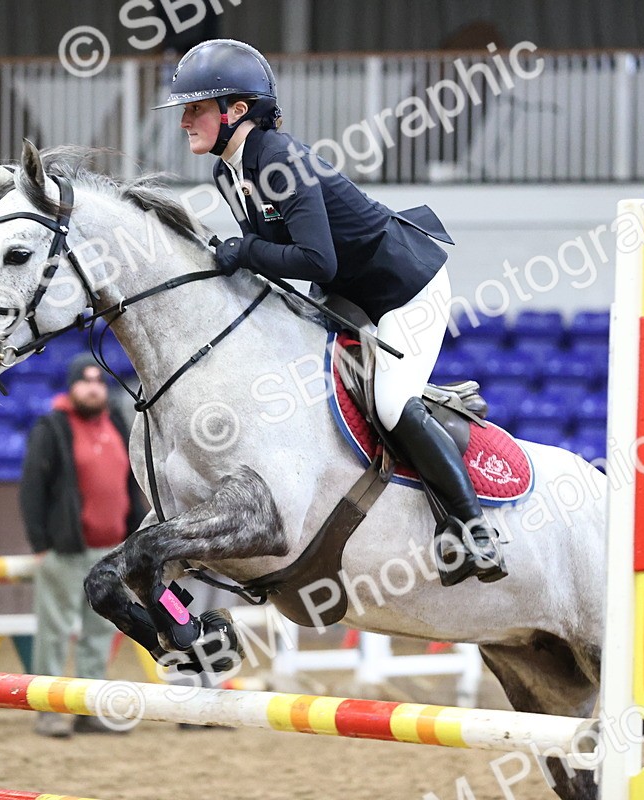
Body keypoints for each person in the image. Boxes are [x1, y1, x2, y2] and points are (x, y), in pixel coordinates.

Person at [153, 39, 507, 586]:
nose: (184, 121)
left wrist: (243, 252)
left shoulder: (279, 158)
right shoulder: (228, 172)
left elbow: (316, 257)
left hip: (403, 288)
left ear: (237, 111)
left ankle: (474, 529)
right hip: (342, 288)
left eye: (196, 108)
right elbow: (279, 260)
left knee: (390, 401)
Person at [19, 354, 148, 736]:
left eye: (98, 381)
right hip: (65, 552)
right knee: (54, 633)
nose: (93, 387)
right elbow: (31, 489)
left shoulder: (117, 423)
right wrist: (41, 544)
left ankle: (90, 710)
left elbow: (129, 484)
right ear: (71, 387)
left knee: (99, 632)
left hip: (110, 555)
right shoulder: (52, 427)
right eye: (84, 381)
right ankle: (48, 710)